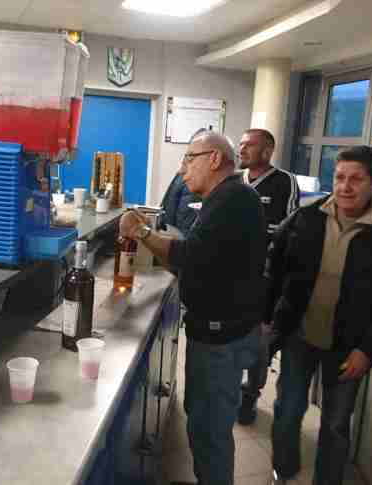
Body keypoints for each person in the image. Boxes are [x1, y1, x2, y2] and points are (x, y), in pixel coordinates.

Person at [264, 146, 372, 485]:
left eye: (356, 179)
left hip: (349, 347)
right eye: (339, 178)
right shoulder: (306, 218)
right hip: (299, 335)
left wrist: (368, 350)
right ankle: (284, 468)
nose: (345, 187)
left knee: (336, 423)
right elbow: (274, 269)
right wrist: (267, 320)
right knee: (288, 409)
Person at [119, 131, 267, 485]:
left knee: (209, 430)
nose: (182, 169)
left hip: (222, 339)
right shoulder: (226, 197)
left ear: (214, 159)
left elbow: (189, 256)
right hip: (224, 331)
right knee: (203, 420)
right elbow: (205, 256)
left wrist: (141, 232)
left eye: (189, 158)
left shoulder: (232, 199)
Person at [236, 128, 300, 425]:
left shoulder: (284, 182)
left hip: (266, 279)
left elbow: (290, 229)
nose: (242, 149)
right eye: (241, 144)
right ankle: (231, 391)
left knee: (260, 344)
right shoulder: (236, 181)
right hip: (234, 278)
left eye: (249, 145)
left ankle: (250, 394)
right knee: (232, 340)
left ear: (267, 151)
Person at [158, 129, 206, 236]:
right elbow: (167, 204)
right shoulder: (181, 174)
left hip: (185, 237)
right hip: (173, 234)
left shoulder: (202, 180)